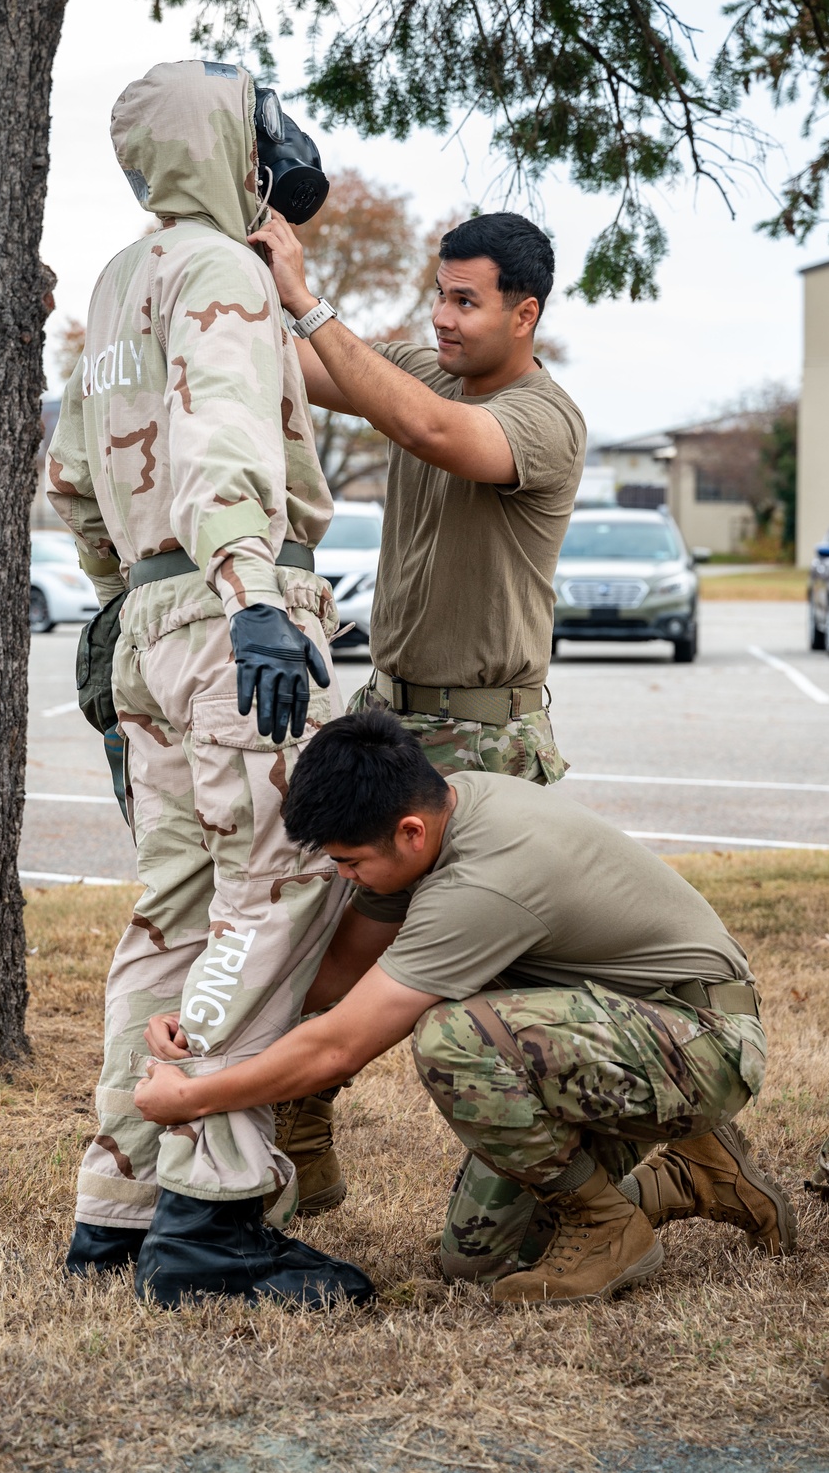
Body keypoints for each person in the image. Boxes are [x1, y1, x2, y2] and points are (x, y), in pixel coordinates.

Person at [46, 59, 373, 1309]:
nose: (280, 143)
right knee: (280, 891)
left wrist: (137, 595)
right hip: (242, 611)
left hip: (149, 615)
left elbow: (76, 477)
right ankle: (214, 1219)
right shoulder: (226, 271)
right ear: (222, 143)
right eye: (259, 122)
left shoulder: (122, 279)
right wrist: (247, 599)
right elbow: (228, 428)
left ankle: (118, 1206)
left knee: (171, 916)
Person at [134, 712, 796, 1305]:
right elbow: (330, 977)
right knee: (476, 1261)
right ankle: (697, 1171)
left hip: (703, 1044)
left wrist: (195, 1098)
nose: (343, 876)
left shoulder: (482, 880)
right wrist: (204, 1020)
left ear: (409, 832)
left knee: (452, 1037)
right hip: (620, 1029)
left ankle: (605, 1224)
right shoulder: (435, 821)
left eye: (349, 861)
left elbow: (341, 1043)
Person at [244, 207, 587, 1219]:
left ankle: (575, 1164)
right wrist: (230, 266)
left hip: (484, 738)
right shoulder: (424, 369)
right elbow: (302, 369)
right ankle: (302, 1119)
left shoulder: (543, 418)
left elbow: (429, 430)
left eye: (465, 300)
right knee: (341, 927)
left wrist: (310, 300)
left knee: (470, 965)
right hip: (388, 711)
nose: (441, 317)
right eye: (436, 293)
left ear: (524, 313)